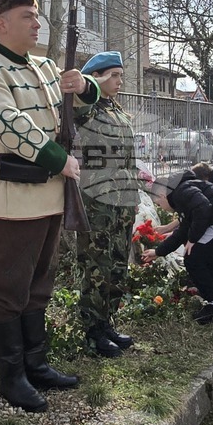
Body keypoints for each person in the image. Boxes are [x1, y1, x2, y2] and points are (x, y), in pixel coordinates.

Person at [0, 0, 98, 412]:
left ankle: (36, 363)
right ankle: (11, 375)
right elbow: (7, 126)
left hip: (48, 197)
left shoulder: (44, 67)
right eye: (28, 16)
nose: (37, 25)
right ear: (2, 23)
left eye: (37, 17)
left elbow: (80, 103)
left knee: (40, 283)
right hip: (7, 199)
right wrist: (61, 160)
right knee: (7, 290)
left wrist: (84, 86)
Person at [75, 50, 141, 358]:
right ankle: (92, 331)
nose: (119, 81)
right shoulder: (86, 108)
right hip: (98, 201)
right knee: (96, 265)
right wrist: (91, 83)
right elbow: (79, 97)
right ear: (98, 77)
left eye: (120, 75)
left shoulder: (116, 109)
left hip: (122, 199)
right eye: (112, 75)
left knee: (117, 263)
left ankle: (107, 322)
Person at [141, 170, 213, 323]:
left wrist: (193, 238)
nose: (161, 207)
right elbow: (184, 229)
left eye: (158, 203)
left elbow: (203, 208)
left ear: (162, 195)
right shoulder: (187, 189)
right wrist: (158, 251)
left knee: (193, 258)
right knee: (212, 259)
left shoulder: (181, 192)